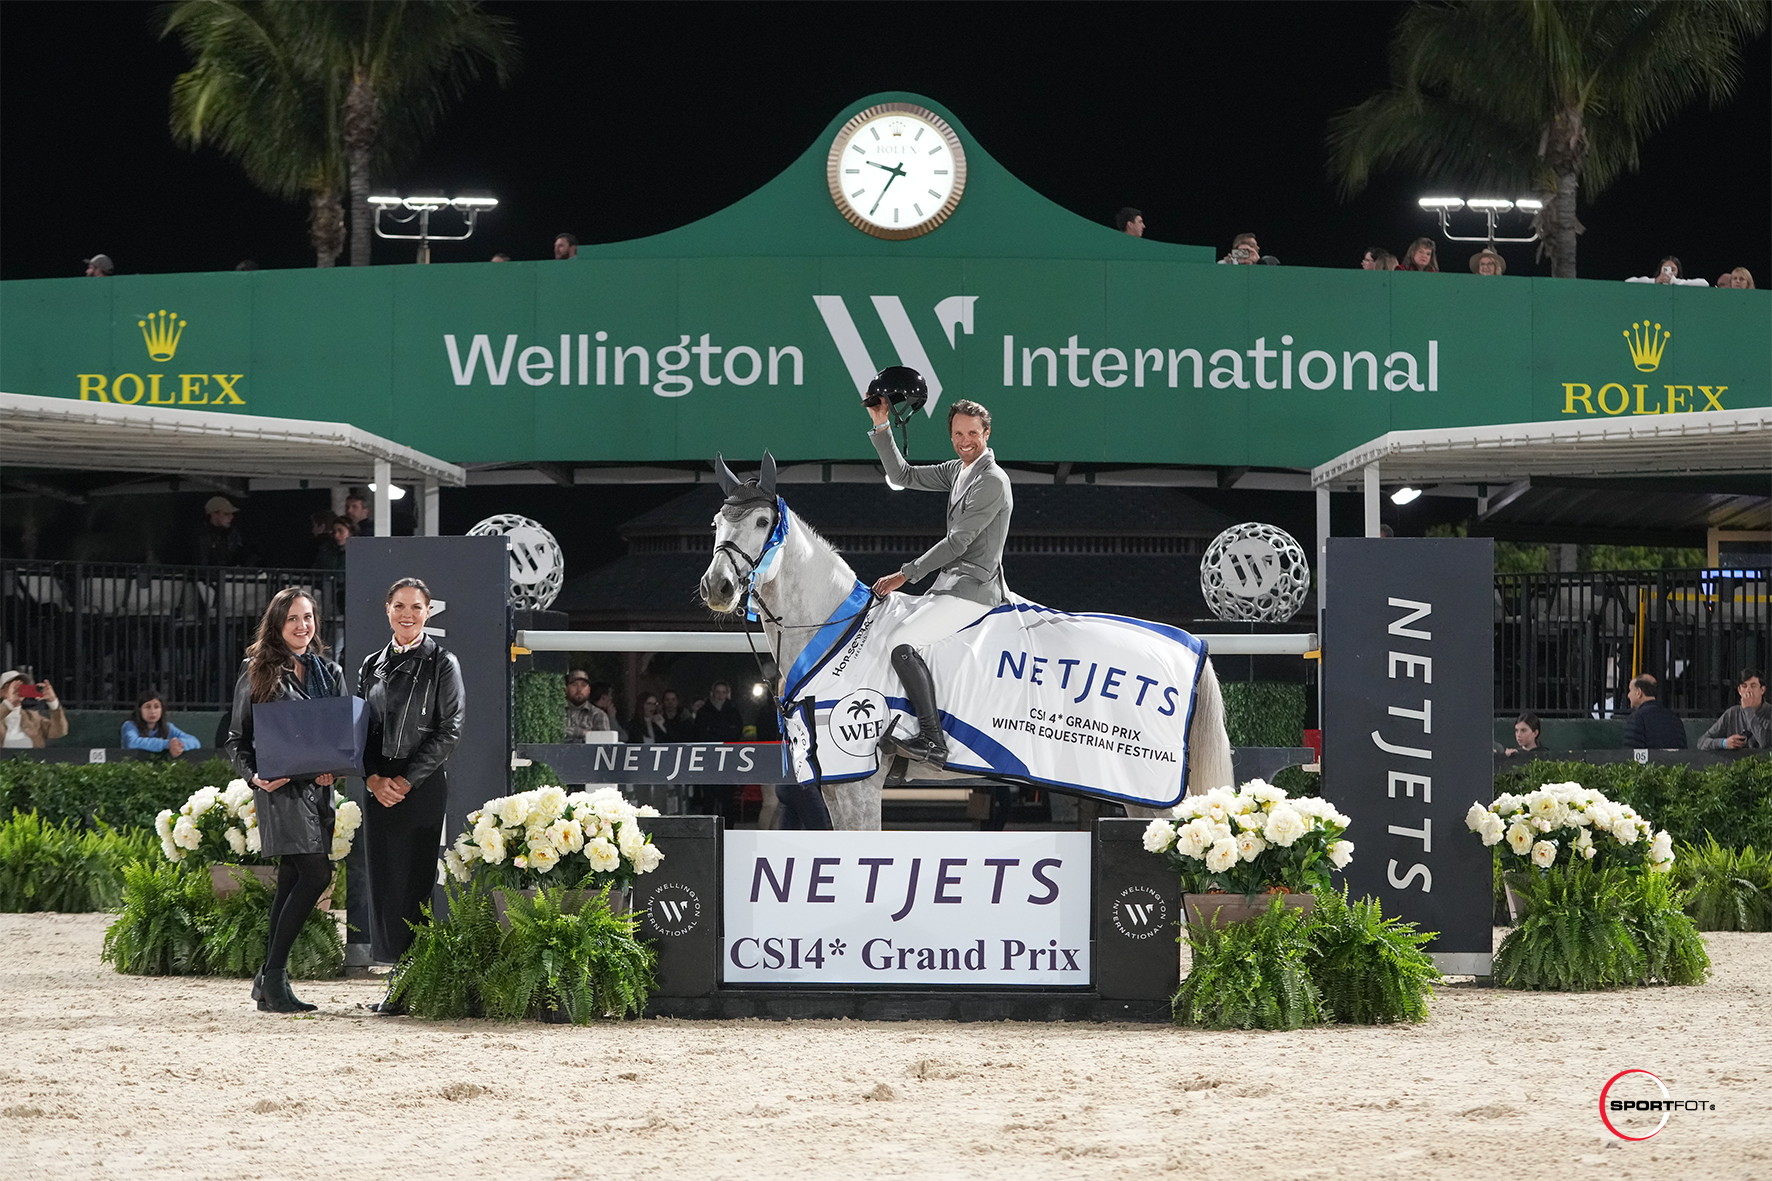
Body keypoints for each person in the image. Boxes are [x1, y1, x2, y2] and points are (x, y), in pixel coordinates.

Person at [866, 371, 1014, 765]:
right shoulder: (958, 471)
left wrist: (906, 573)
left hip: (973, 590)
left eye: (973, 435)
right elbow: (902, 476)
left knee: (901, 644)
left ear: (987, 434)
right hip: (948, 586)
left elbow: (958, 543)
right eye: (958, 435)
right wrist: (882, 426)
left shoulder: (992, 481)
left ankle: (933, 740)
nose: (965, 442)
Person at [224, 586, 344, 1014]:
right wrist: (255, 777)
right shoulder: (257, 669)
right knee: (316, 874)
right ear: (277, 624)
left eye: (308, 617)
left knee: (294, 879)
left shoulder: (329, 671)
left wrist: (336, 764)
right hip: (281, 793)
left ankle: (268, 980)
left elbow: (337, 732)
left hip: (320, 792)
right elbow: (237, 739)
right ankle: (273, 976)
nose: (302, 626)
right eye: (293, 618)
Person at [358, 578, 464, 1003]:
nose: (407, 613)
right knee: (384, 882)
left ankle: (410, 983)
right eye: (399, 605)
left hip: (418, 785)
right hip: (377, 785)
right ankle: (397, 981)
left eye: (416, 607)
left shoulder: (443, 663)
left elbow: (450, 730)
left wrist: (404, 780)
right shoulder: (370, 664)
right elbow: (356, 730)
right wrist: (371, 778)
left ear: (428, 611)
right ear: (387, 609)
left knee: (414, 882)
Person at [1697, 669, 1770, 751]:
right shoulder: (1732, 713)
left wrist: (1748, 710)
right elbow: (1701, 742)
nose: (1748, 690)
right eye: (1744, 686)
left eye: (1753, 686)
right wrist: (1724, 743)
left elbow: (1765, 744)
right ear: (1739, 690)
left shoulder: (1769, 712)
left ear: (1762, 690)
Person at [121, 689, 202, 756]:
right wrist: (167, 744)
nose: (152, 712)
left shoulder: (168, 727)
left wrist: (179, 744)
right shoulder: (129, 726)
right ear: (139, 710)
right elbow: (132, 743)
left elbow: (195, 742)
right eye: (147, 707)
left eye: (156, 707)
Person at [0, 670, 66, 748]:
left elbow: (59, 732)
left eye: (22, 685)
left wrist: (53, 702)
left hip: (32, 759)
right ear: (1, 692)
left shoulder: (33, 718)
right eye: (13, 685)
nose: (18, 688)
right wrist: (9, 702)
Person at [1620, 674, 1687, 749]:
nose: (1628, 695)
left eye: (1630, 690)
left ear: (1639, 692)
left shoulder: (1637, 718)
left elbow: (1631, 753)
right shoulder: (1675, 718)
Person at [195, 496, 256, 566]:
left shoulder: (232, 533)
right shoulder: (202, 536)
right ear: (214, 515)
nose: (231, 517)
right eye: (226, 514)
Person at [563, 671, 618, 740]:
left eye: (583, 685)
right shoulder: (556, 712)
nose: (579, 689)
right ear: (566, 689)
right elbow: (552, 730)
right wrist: (583, 733)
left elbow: (604, 742)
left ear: (589, 690)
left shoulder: (598, 715)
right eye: (574, 685)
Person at [1626, 256, 1708, 286]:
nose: (1670, 272)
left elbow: (1704, 283)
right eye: (1666, 268)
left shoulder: (1680, 283)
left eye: (1673, 269)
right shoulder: (1651, 282)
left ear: (1678, 271)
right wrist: (1655, 281)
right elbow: (1627, 282)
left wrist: (1676, 282)